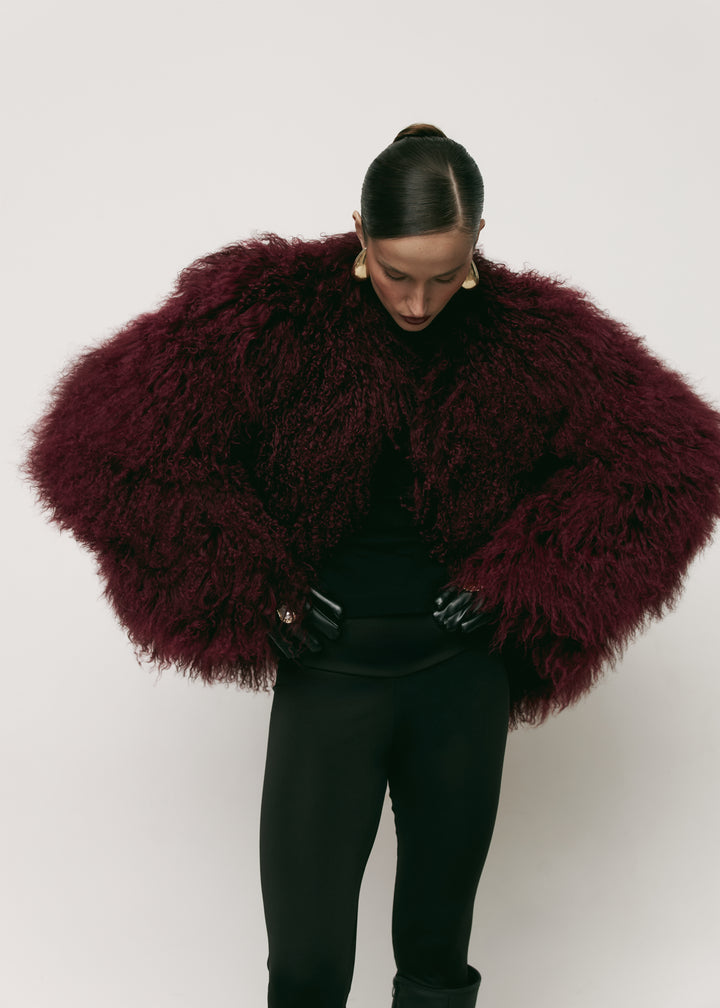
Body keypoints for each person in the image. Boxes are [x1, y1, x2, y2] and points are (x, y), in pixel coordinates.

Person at [24, 124, 720, 1008]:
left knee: (435, 958)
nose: (420, 302)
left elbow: (675, 460)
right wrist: (249, 582)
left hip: (460, 679)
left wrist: (526, 577)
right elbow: (96, 443)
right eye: (397, 274)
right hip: (331, 674)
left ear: (478, 243)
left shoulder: (536, 336)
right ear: (359, 231)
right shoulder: (269, 314)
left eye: (446, 276)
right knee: (307, 966)